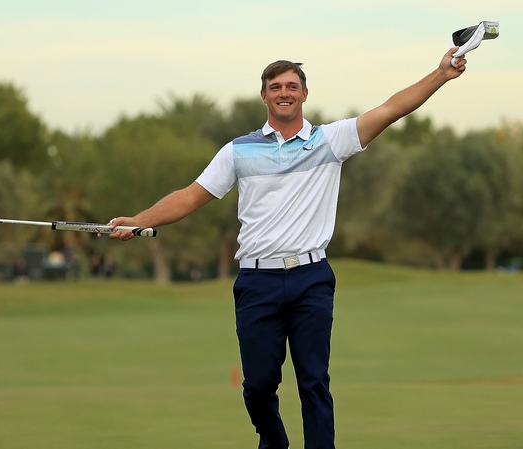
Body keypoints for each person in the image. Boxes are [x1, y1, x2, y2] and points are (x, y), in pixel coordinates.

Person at [105, 47, 467, 449]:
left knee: (314, 381)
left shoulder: (331, 140)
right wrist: (139, 220)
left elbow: (391, 109)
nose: (284, 92)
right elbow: (190, 197)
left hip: (310, 278)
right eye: (275, 87)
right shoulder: (238, 151)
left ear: (304, 94)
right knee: (258, 387)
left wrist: (440, 75)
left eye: (291, 86)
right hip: (257, 281)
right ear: (264, 96)